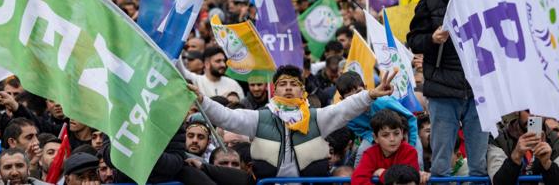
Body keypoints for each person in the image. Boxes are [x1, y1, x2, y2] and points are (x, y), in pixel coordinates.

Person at [188, 64, 397, 180]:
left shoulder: (318, 117)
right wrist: (203, 100)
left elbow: (344, 108)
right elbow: (226, 117)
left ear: (302, 90)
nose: (288, 88)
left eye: (293, 84)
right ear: (275, 90)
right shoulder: (259, 117)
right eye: (283, 84)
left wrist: (370, 94)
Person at [407, 0, 491, 178]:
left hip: (479, 91)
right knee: (441, 162)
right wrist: (432, 39)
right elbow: (413, 39)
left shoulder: (489, 0)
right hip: (443, 90)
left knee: (479, 165)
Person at [487, 111, 559, 184]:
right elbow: (498, 182)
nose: (533, 116)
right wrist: (516, 156)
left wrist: (547, 164)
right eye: (528, 110)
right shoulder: (498, 138)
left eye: (537, 110)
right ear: (517, 111)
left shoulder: (557, 142)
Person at [351, 110, 419, 185]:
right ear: (375, 137)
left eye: (396, 133)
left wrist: (383, 173)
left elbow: (406, 181)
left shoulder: (409, 151)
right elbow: (358, 180)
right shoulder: (370, 154)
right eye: (385, 135)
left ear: (402, 133)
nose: (392, 139)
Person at [178, 47, 245, 100]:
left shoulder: (233, 84)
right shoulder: (197, 80)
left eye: (224, 61)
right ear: (207, 64)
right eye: (218, 61)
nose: (223, 65)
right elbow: (180, 70)